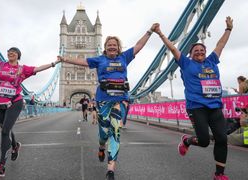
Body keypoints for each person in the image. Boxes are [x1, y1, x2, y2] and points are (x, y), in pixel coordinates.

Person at [58, 23, 157, 180]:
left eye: (115, 45)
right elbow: (82, 62)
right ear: (105, 47)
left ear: (118, 47)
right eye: (109, 45)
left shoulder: (124, 57)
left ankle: (110, 169)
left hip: (121, 100)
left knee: (115, 133)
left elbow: (138, 46)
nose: (112, 47)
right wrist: (64, 58)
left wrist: (150, 31)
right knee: (104, 134)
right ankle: (101, 146)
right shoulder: (99, 59)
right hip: (104, 101)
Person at [0, 36, 61, 177]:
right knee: (5, 129)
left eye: (14, 52)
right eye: (9, 51)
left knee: (4, 132)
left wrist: (54, 63)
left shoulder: (23, 69)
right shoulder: (0, 65)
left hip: (15, 102)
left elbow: (38, 68)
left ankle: (1, 166)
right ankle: (15, 146)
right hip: (0, 103)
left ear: (18, 56)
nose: (11, 53)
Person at [153, 16, 233, 180]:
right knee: (203, 141)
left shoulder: (212, 61)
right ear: (190, 54)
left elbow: (220, 45)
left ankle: (219, 174)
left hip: (215, 106)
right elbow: (172, 49)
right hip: (197, 107)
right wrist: (160, 33)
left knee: (222, 138)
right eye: (196, 50)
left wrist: (228, 29)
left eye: (202, 50)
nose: (200, 52)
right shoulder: (186, 63)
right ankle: (187, 141)